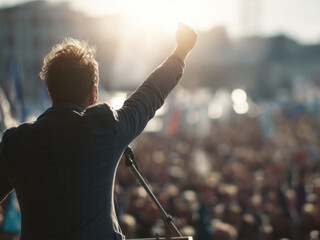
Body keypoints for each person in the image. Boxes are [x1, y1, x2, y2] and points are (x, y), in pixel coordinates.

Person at [0, 23, 197, 239]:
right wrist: (180, 52)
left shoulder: (16, 143)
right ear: (94, 93)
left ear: (49, 91)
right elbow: (149, 95)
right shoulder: (103, 127)